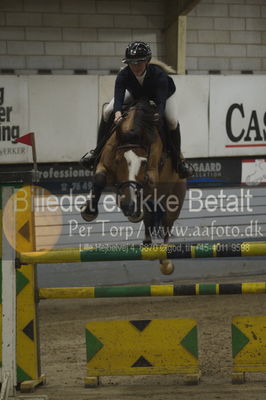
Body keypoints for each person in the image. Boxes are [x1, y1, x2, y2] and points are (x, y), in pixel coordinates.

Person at [81, 41, 193, 178]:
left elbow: (161, 102)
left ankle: (178, 161)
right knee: (107, 111)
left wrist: (158, 114)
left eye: (139, 62)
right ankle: (96, 153)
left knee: (172, 120)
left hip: (160, 96)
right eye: (131, 63)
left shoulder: (159, 76)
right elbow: (119, 96)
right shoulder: (123, 74)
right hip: (135, 93)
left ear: (147, 61)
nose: (135, 67)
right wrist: (117, 113)